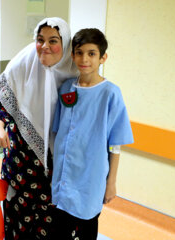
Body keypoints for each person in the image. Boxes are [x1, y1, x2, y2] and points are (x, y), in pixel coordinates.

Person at [0, 17, 78, 239]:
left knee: (55, 230)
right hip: (21, 167)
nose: (45, 46)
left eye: (53, 40)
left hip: (59, 173)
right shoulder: (24, 62)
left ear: (65, 44)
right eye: (40, 39)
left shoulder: (77, 74)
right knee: (18, 226)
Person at [51, 28, 134, 239]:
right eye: (79, 52)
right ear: (72, 55)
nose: (84, 59)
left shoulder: (110, 93)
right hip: (63, 172)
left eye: (91, 53)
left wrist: (111, 182)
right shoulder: (66, 88)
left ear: (102, 57)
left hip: (91, 176)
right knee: (60, 228)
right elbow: (58, 131)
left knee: (86, 227)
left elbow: (116, 144)